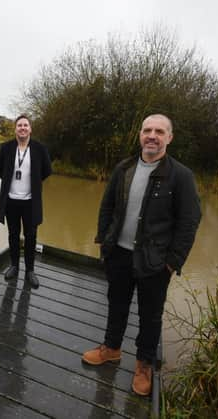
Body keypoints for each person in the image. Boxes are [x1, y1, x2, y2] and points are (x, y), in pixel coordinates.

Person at [82, 114, 201, 396]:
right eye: (147, 130)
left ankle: (144, 365)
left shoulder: (181, 175)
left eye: (159, 131)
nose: (152, 135)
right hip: (119, 255)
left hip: (155, 261)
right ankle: (111, 348)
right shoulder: (123, 168)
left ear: (169, 138)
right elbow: (106, 206)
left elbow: (190, 221)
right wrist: (103, 241)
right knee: (116, 304)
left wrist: (173, 262)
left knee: (150, 316)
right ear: (139, 135)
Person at [0, 115, 52, 289]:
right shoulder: (6, 148)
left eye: (25, 125)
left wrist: (34, 183)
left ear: (30, 129)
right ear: (15, 129)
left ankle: (30, 271)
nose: (22, 128)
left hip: (30, 202)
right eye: (19, 125)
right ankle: (14, 266)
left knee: (31, 236)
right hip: (11, 200)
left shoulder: (39, 148)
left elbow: (47, 170)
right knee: (13, 235)